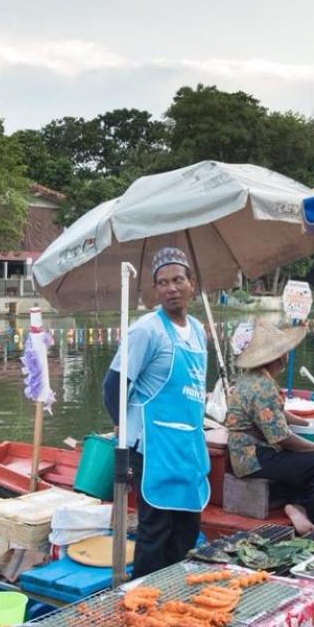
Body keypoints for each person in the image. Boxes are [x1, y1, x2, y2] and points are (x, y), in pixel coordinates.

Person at [103, 247, 209, 577]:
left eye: (178, 280)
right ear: (156, 290)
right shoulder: (146, 331)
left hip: (189, 446)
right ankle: (144, 602)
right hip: (153, 448)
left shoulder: (199, 332)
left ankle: (176, 594)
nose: (171, 288)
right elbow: (113, 387)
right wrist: (124, 431)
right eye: (162, 283)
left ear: (192, 284)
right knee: (155, 534)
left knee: (186, 533)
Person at [224, 321, 314, 534]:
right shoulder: (263, 386)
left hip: (248, 454)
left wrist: (305, 422)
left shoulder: (252, 379)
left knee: (311, 462)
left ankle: (296, 506)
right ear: (278, 356)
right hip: (253, 457)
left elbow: (275, 414)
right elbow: (281, 438)